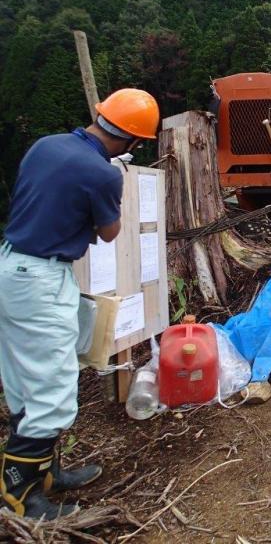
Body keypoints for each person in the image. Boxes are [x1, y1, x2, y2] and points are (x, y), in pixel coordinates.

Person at [0, 88, 160, 519]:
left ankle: (45, 472)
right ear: (133, 142)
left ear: (100, 115)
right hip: (42, 279)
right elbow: (109, 232)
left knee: (22, 382)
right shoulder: (103, 173)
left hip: (10, 266)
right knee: (53, 392)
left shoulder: (44, 145)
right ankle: (19, 492)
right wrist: (112, 186)